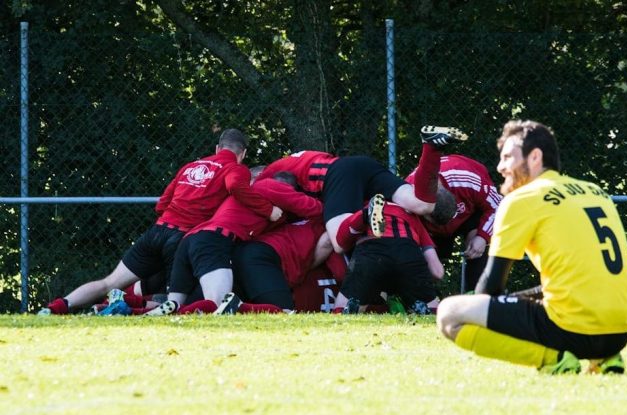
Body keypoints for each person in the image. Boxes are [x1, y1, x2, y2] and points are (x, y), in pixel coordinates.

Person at [436, 120, 627, 374]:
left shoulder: (522, 199)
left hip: (572, 329)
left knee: (449, 314)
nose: (500, 167)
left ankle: (554, 360)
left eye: (508, 157)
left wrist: (489, 305)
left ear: (535, 157)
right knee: (550, 294)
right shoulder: (595, 191)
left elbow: (491, 287)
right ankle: (607, 358)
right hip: (621, 331)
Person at [38, 128, 280, 315]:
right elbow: (235, 187)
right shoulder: (236, 168)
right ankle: (132, 309)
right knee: (178, 300)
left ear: (217, 148)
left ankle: (55, 307)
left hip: (157, 231)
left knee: (109, 281)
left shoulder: (190, 166)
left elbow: (161, 203)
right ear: (243, 153)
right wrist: (269, 211)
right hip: (182, 238)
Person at [256, 126, 466, 253]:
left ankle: (367, 213)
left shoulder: (263, 181)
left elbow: (295, 203)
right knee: (422, 203)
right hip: (363, 167)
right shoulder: (283, 166)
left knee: (338, 240)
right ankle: (431, 147)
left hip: (336, 173)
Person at [144, 172, 322, 316]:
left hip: (190, 240)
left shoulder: (251, 193)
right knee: (219, 306)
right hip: (213, 241)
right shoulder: (273, 186)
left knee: (174, 306)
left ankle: (131, 306)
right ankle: (278, 312)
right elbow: (313, 208)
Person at [332, 191, 455, 314]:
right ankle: (422, 306)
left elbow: (340, 243)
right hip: (407, 251)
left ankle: (352, 305)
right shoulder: (414, 220)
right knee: (430, 309)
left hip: (370, 251)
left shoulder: (367, 207)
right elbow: (438, 272)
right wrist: (418, 281)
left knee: (344, 306)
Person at [405, 153, 502, 291]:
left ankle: (476, 296)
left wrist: (483, 236)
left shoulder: (468, 180)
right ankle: (420, 299)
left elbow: (498, 205)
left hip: (469, 214)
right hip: (427, 228)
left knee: (477, 245)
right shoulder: (409, 196)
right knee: (425, 263)